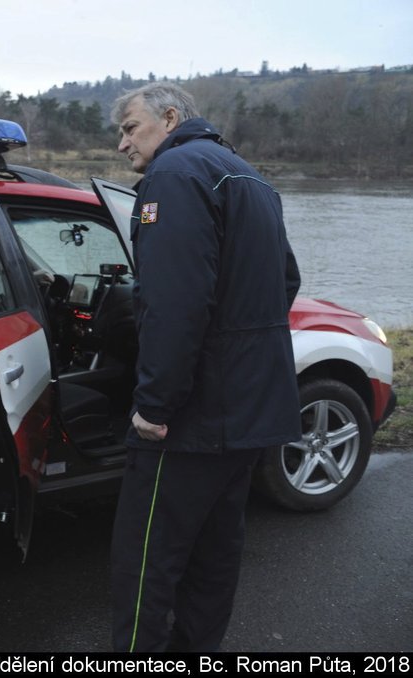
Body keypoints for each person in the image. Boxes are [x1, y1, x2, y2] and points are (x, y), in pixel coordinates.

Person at [108, 83, 301, 652]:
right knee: (215, 556)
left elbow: (174, 305)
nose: (122, 144)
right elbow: (285, 281)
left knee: (145, 563)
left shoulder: (173, 176)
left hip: (191, 420)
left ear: (170, 118)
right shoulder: (249, 176)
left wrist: (154, 406)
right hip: (248, 410)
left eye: (129, 128)